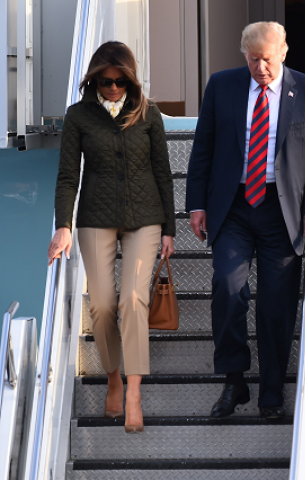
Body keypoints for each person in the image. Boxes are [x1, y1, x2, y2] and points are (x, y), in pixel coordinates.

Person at [186, 21, 305, 419]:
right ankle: (234, 380)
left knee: (276, 306)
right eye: (253, 60)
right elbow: (203, 148)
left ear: (283, 52)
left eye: (267, 60)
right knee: (227, 287)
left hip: (281, 210)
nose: (260, 68)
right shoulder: (222, 85)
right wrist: (196, 204)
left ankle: (271, 392)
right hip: (233, 206)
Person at [47, 41, 175, 433]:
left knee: (133, 298)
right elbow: (69, 176)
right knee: (102, 305)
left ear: (131, 79)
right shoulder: (78, 116)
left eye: (121, 81)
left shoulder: (149, 114)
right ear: (94, 79)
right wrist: (63, 225)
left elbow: (163, 173)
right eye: (106, 81)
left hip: (145, 216)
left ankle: (133, 391)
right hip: (95, 216)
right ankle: (114, 376)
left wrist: (169, 228)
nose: (114, 88)